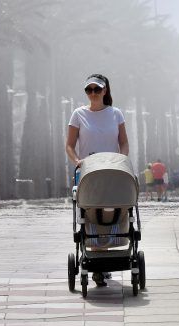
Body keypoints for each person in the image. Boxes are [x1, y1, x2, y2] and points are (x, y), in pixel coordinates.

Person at [65, 74, 129, 287]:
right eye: (89, 90)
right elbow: (70, 145)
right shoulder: (78, 114)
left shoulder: (115, 114)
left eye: (97, 89)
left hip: (112, 170)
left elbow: (123, 143)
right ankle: (95, 260)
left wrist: (122, 160)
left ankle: (112, 250)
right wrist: (77, 161)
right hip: (89, 172)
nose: (93, 93)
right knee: (90, 212)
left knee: (114, 209)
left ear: (105, 91)